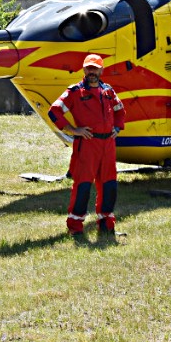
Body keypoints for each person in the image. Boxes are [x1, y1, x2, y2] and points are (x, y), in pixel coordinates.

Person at [49, 54, 126, 237]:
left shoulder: (108, 91)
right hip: (88, 145)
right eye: (89, 68)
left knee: (109, 185)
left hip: (108, 145)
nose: (92, 71)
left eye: (95, 68)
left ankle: (107, 225)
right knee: (83, 186)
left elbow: (120, 111)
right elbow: (54, 111)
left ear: (101, 70)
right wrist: (73, 130)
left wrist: (117, 127)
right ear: (84, 70)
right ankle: (75, 227)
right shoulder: (75, 92)